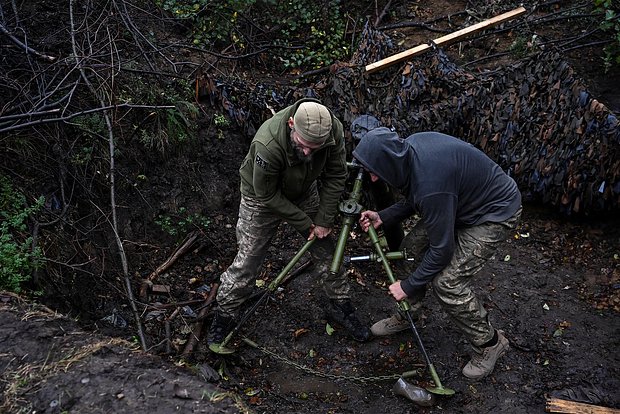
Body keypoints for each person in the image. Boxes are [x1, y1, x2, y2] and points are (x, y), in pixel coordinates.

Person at [353, 117, 522, 380]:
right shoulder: (410, 151)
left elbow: (441, 249)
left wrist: (407, 286)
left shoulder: (431, 184)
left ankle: (490, 344)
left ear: (389, 162)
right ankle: (409, 316)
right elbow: (417, 197)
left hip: (494, 213)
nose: (373, 177)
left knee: (448, 284)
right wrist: (383, 216)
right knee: (410, 251)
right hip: (458, 204)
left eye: (375, 170)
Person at [207, 99, 371, 351]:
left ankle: (339, 303)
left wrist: (323, 220)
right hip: (260, 198)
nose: (307, 154)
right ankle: (225, 313)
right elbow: (266, 195)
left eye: (314, 149)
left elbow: (336, 174)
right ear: (291, 124)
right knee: (248, 259)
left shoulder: (332, 131)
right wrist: (307, 224)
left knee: (327, 250)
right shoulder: (267, 144)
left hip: (305, 190)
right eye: (303, 146)